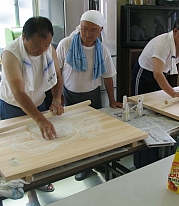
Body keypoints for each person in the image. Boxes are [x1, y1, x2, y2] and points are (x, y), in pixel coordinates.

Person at [0, 16, 64, 206]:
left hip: (39, 101)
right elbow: (19, 92)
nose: (43, 50)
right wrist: (40, 119)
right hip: (14, 106)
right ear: (24, 38)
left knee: (42, 147)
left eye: (47, 45)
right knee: (21, 151)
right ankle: (30, 195)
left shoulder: (48, 48)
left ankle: (40, 181)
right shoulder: (11, 53)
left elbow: (57, 76)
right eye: (37, 47)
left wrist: (57, 99)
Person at [56, 10, 122, 181]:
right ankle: (82, 166)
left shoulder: (102, 50)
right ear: (80, 27)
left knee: (95, 131)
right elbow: (57, 73)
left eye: (92, 30)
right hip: (69, 95)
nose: (87, 34)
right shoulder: (66, 44)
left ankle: (99, 161)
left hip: (93, 96)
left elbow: (108, 76)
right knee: (75, 133)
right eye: (84, 29)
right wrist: (57, 97)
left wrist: (113, 100)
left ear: (100, 30)